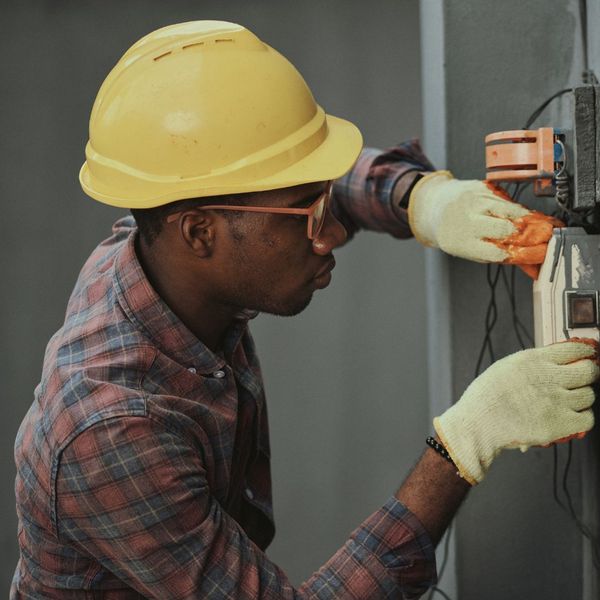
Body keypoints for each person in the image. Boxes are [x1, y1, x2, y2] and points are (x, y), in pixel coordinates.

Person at [11, 21, 598, 599]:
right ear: (198, 233)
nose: (333, 235)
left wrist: (419, 199)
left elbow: (285, 184)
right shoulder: (110, 430)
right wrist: (464, 443)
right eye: (309, 217)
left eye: (324, 202)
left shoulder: (159, 240)